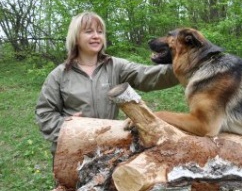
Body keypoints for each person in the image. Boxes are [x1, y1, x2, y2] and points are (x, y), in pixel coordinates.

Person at [35, 11, 179, 155]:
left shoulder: (115, 66)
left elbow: (149, 76)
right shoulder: (59, 75)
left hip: (107, 148)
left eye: (100, 31)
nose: (96, 36)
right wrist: (68, 129)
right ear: (76, 37)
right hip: (72, 150)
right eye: (88, 31)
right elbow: (44, 113)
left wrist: (187, 65)